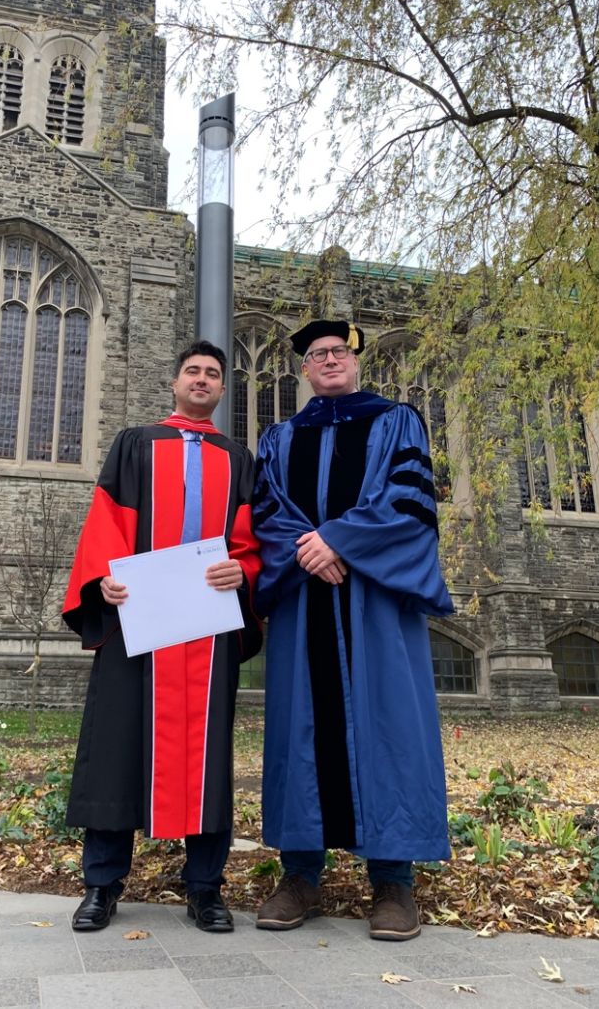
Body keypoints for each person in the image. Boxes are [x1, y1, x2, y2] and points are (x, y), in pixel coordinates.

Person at [252, 319, 453, 941]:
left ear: (355, 359)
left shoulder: (398, 422)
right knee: (300, 730)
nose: (330, 360)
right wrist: (309, 550)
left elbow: (410, 501)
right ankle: (300, 874)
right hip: (305, 604)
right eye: (317, 354)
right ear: (304, 370)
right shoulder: (281, 438)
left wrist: (337, 540)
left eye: (338, 351)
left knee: (387, 723)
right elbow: (266, 512)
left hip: (372, 602)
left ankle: (394, 881)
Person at [62, 340, 262, 934]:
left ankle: (205, 888)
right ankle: (101, 884)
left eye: (212, 374)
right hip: (138, 624)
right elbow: (106, 523)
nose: (202, 380)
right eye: (193, 371)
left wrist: (243, 570)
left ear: (223, 390)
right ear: (174, 382)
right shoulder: (136, 444)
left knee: (207, 759)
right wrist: (105, 582)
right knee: (118, 749)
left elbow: (252, 540)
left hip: (207, 629)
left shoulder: (238, 458)